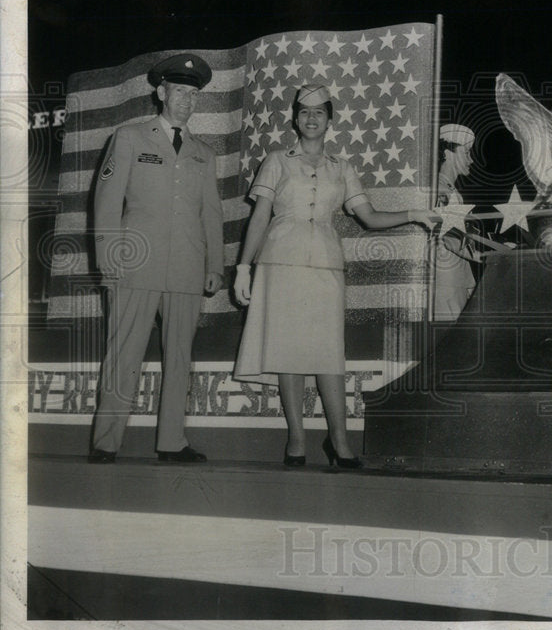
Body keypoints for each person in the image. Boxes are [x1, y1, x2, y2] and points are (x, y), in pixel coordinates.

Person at [232, 84, 439, 468]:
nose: (312, 119)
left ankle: (339, 442)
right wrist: (243, 266)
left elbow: (369, 216)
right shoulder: (277, 160)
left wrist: (414, 214)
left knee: (329, 355)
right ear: (295, 118)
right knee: (287, 353)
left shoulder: (342, 167)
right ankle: (296, 440)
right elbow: (259, 216)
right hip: (280, 263)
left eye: (320, 113)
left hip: (326, 265)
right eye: (305, 112)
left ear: (329, 120)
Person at [89, 53, 224, 463]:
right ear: (160, 92)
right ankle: (105, 442)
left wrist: (215, 265)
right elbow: (107, 201)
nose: (186, 100)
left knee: (180, 358)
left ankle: (171, 442)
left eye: (193, 93)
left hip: (186, 266)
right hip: (135, 262)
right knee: (124, 354)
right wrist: (108, 256)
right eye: (179, 91)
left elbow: (211, 213)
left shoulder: (204, 152)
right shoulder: (130, 137)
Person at [433, 123, 481, 322]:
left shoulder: (451, 191)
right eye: (467, 152)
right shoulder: (439, 190)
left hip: (456, 278)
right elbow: (450, 239)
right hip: (446, 282)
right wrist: (487, 256)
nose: (470, 160)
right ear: (448, 152)